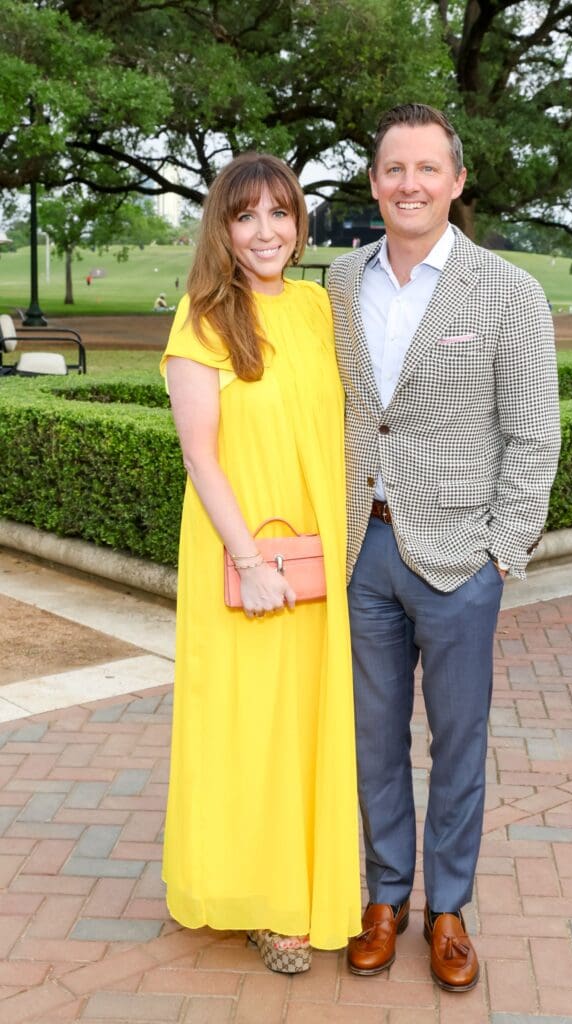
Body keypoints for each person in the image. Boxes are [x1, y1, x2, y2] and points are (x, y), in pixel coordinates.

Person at [328, 103, 561, 993]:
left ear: (456, 182)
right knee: (372, 739)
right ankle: (384, 897)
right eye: (394, 168)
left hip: (462, 559)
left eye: (428, 168)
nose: (409, 184)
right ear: (373, 181)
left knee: (458, 743)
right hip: (364, 549)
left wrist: (503, 549)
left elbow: (533, 435)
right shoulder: (339, 283)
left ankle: (448, 909)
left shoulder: (508, 292)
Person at [160, 153, 361, 975]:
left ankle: (306, 881)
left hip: (316, 558)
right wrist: (249, 563)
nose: (265, 232)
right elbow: (200, 457)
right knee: (250, 726)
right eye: (246, 216)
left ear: (299, 224)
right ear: (223, 228)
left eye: (280, 213)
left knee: (306, 724)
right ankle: (263, 902)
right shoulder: (203, 318)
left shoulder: (317, 307)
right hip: (243, 557)